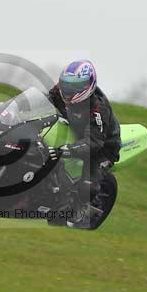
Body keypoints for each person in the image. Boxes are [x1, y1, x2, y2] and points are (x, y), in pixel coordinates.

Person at [46, 60, 121, 227]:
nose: (68, 90)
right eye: (66, 84)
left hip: (102, 147)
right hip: (76, 131)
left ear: (88, 86)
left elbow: (94, 142)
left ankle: (78, 213)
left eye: (75, 86)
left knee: (88, 186)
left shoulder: (98, 109)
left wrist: (67, 150)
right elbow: (44, 101)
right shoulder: (61, 90)